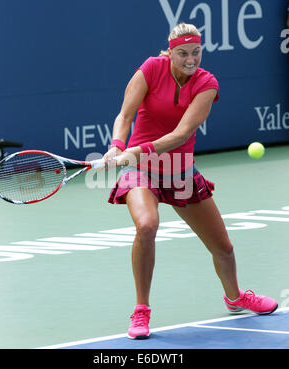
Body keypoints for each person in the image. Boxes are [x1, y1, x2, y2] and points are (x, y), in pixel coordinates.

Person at [103, 23, 278, 340]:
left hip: (179, 168)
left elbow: (181, 134)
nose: (190, 59)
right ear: (169, 52)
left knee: (223, 248)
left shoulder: (206, 83)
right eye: (183, 53)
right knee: (146, 225)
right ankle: (141, 311)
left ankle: (235, 296)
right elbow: (125, 115)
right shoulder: (150, 69)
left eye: (196, 52)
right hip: (141, 169)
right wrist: (117, 144)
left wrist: (136, 149)